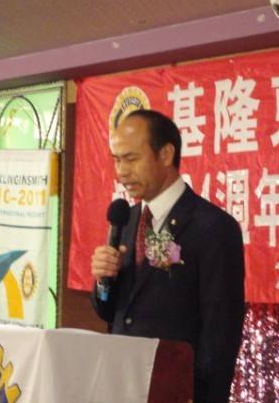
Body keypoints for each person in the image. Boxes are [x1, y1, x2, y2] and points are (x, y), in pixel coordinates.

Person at [91, 109, 245, 403]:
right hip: (123, 387)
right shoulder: (127, 220)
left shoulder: (212, 227)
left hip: (176, 391)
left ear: (165, 154)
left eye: (131, 159)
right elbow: (112, 312)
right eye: (117, 160)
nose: (121, 172)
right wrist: (103, 282)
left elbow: (221, 332)